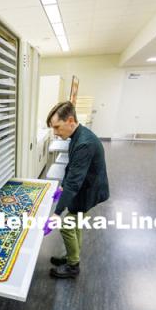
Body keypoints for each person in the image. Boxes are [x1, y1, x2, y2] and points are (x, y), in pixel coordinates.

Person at [46, 101, 109, 278]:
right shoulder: (77, 135)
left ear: (71, 120)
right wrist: (62, 188)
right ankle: (71, 256)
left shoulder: (84, 143)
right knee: (76, 225)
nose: (56, 133)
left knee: (66, 226)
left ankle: (73, 266)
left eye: (57, 127)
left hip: (88, 191)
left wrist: (57, 213)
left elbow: (75, 182)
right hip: (85, 187)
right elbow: (71, 169)